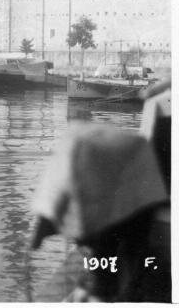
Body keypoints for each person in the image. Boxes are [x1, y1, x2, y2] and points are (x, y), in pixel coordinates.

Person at [30, 81, 171, 302]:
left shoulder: (71, 179)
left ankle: (111, 292)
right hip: (117, 169)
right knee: (106, 249)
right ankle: (105, 289)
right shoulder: (66, 171)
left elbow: (51, 219)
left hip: (138, 176)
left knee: (126, 250)